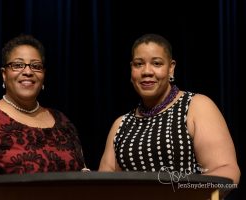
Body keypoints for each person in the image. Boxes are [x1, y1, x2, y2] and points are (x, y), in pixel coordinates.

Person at [0, 34, 87, 200]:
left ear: (43, 75)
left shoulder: (62, 121)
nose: (27, 72)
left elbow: (81, 170)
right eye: (18, 65)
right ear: (4, 74)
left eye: (36, 66)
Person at [98, 33, 240, 185]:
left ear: (171, 68)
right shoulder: (121, 125)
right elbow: (104, 184)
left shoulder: (196, 107)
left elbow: (226, 170)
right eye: (139, 64)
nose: (147, 71)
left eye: (157, 63)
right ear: (131, 69)